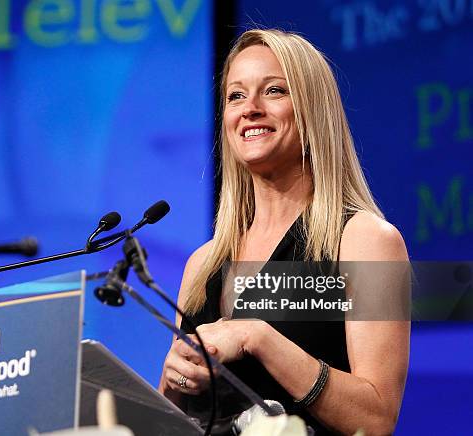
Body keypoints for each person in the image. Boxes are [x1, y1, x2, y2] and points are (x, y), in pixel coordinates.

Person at [158, 29, 410, 435]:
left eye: (273, 91)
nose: (250, 109)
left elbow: (376, 418)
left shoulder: (365, 240)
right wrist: (173, 382)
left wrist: (257, 335)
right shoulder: (202, 266)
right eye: (235, 96)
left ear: (312, 110)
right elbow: (170, 424)